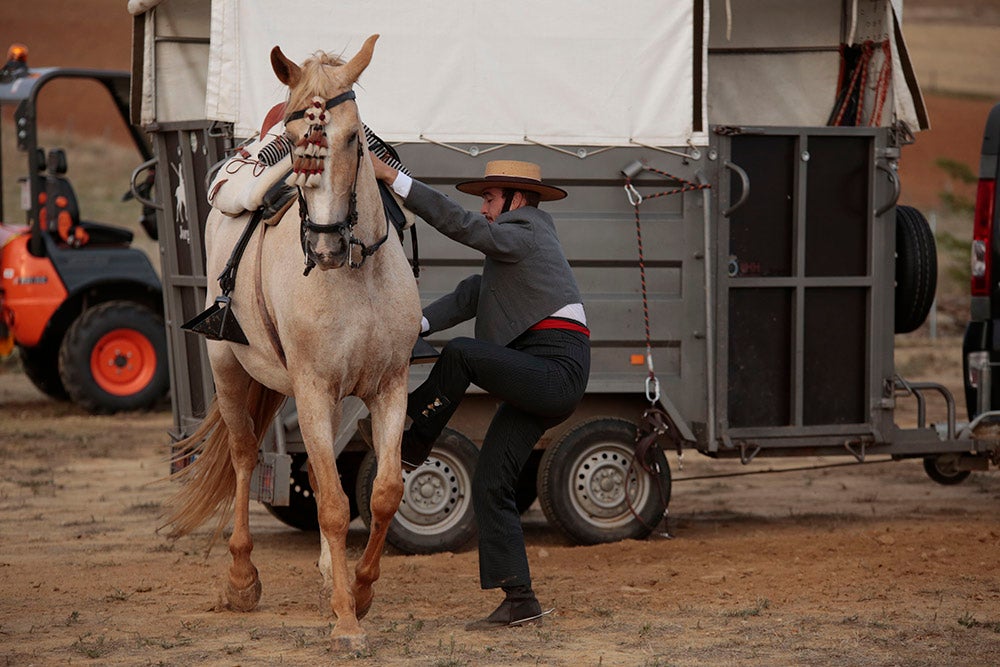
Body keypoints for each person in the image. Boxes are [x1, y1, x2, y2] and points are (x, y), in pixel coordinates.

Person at [367, 157, 591, 629]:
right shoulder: (513, 249)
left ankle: (413, 444)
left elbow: (463, 225)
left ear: (517, 199)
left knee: (462, 354)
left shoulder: (527, 228)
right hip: (541, 373)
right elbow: (471, 295)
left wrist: (395, 179)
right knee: (491, 480)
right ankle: (519, 599)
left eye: (489, 199)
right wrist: (412, 327)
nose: (485, 209)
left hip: (554, 372)